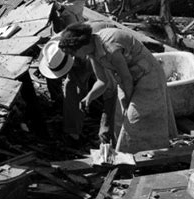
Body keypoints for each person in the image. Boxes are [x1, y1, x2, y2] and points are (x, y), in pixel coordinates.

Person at [58, 23, 177, 153]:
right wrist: (89, 97)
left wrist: (128, 100)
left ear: (82, 45)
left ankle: (153, 152)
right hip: (128, 79)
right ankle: (129, 154)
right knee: (120, 121)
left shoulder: (110, 47)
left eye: (73, 52)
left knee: (134, 118)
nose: (73, 57)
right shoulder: (92, 53)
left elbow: (126, 77)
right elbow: (102, 81)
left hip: (148, 75)